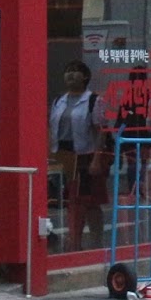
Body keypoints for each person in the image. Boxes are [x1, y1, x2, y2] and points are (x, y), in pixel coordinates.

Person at [48, 59, 106, 251]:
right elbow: (51, 129)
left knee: (89, 202)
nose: (71, 75)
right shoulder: (59, 100)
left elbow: (101, 131)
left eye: (76, 71)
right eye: (68, 71)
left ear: (85, 77)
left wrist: (97, 159)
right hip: (63, 156)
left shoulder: (93, 100)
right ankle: (75, 244)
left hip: (85, 157)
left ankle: (96, 241)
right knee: (71, 202)